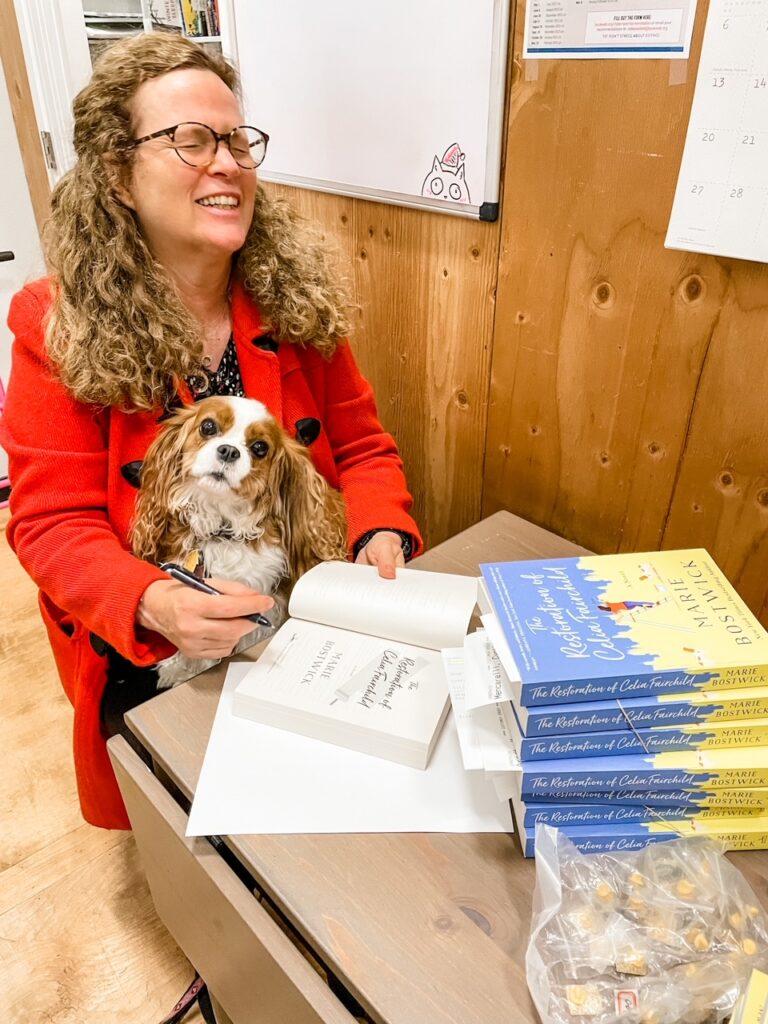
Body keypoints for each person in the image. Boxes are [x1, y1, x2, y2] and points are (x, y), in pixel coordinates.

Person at [1, 33, 421, 830]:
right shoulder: (52, 325)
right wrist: (153, 600)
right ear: (120, 175)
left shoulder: (294, 306)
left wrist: (378, 534)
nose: (225, 163)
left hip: (300, 612)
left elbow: (364, 449)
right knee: (194, 810)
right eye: (189, 140)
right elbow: (51, 526)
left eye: (236, 140)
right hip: (154, 642)